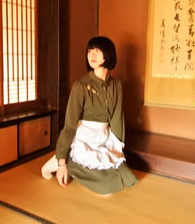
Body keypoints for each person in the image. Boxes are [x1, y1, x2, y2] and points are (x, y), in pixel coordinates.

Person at [42, 36, 137, 195]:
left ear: (108, 54)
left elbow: (116, 118)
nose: (91, 55)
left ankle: (65, 160)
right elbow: (70, 125)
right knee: (106, 188)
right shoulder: (80, 85)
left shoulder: (116, 85)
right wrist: (61, 165)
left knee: (126, 176)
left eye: (97, 51)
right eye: (89, 51)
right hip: (84, 140)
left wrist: (116, 147)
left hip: (103, 137)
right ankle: (62, 160)